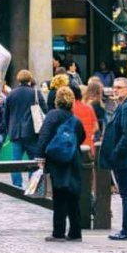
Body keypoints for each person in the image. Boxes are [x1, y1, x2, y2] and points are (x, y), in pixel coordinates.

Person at [36, 86, 85, 242]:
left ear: (57, 100)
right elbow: (81, 137)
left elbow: (44, 136)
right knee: (73, 195)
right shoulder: (75, 120)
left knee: (59, 196)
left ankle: (58, 232)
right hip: (73, 159)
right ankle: (75, 232)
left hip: (57, 160)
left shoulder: (52, 115)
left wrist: (40, 156)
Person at [100, 77, 127, 241]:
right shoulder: (123, 105)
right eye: (114, 87)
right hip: (123, 158)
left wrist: (115, 154)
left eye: (120, 87)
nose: (115, 90)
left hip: (124, 159)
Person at [5, 70, 45, 187]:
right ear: (30, 79)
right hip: (31, 132)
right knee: (33, 160)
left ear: (18, 79)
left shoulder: (11, 93)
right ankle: (32, 185)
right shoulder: (35, 93)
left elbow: (6, 114)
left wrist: (9, 129)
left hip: (15, 131)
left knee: (15, 160)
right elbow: (45, 109)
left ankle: (17, 185)